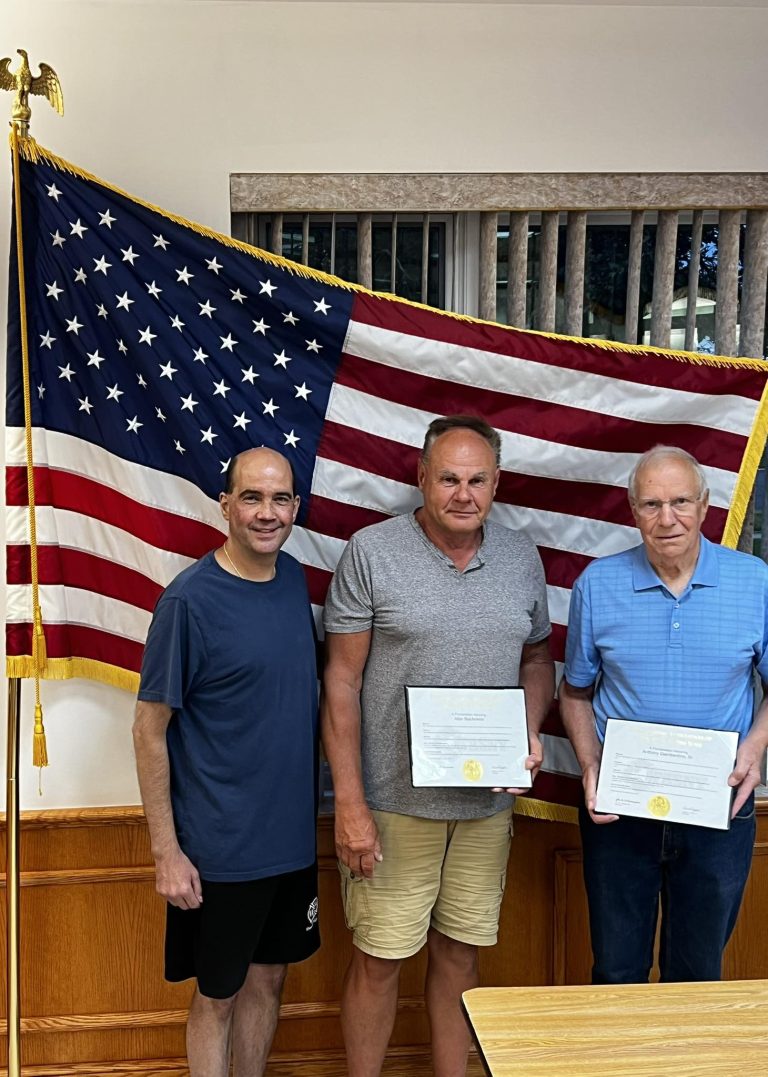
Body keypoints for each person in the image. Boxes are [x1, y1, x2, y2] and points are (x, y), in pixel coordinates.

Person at [321, 414, 554, 1077]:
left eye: (477, 479)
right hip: (393, 805)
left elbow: (537, 658)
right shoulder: (373, 551)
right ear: (421, 478)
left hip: (485, 808)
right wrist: (350, 804)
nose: (462, 493)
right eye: (448, 477)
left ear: (496, 484)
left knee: (460, 955)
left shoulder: (520, 557)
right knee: (379, 958)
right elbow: (340, 680)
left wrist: (527, 729)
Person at [132, 447, 320, 1077]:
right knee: (217, 997)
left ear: (294, 506)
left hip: (290, 845)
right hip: (220, 850)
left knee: (269, 982)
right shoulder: (189, 602)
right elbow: (149, 731)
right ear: (225, 505)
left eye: (280, 499)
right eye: (251, 497)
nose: (267, 513)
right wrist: (167, 851)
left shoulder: (294, 581)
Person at [560, 444, 768, 985]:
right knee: (616, 971)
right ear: (633, 512)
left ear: (704, 505)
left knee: (697, 975)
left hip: (720, 802)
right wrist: (590, 765)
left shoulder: (756, 582)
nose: (667, 518)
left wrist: (754, 747)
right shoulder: (597, 585)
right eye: (651, 504)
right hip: (621, 806)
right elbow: (575, 692)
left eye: (680, 502)